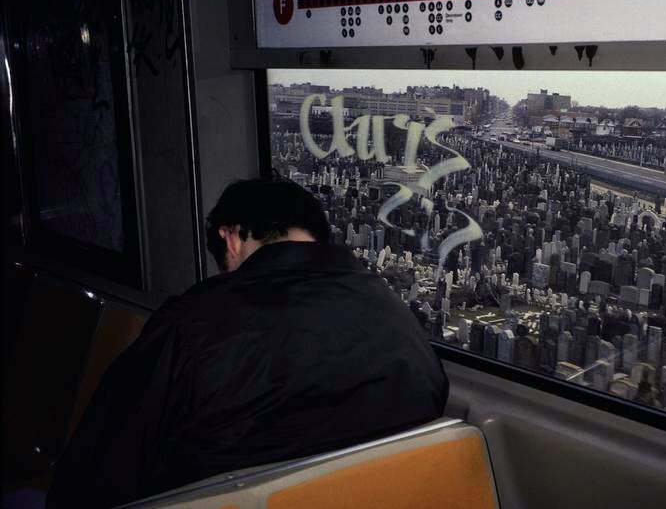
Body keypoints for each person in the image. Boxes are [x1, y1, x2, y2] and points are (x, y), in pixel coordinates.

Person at [46, 179, 448, 508]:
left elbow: (95, 470)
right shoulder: (394, 311)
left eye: (223, 262)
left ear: (232, 237)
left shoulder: (188, 323)